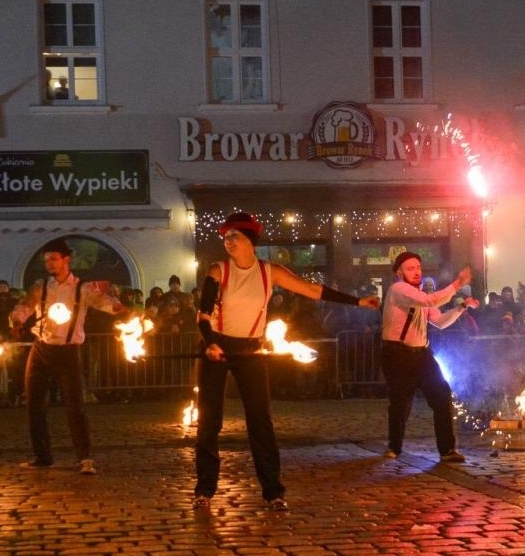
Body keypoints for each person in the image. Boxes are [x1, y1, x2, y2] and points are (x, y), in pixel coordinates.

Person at [193, 212, 379, 513]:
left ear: (249, 240)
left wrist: (357, 302)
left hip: (252, 348)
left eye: (234, 237)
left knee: (261, 421)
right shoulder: (218, 270)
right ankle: (204, 489)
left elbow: (312, 290)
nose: (228, 242)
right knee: (209, 421)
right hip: (218, 344)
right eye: (225, 237)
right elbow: (203, 316)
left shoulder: (270, 272)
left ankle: (273, 491)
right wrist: (211, 342)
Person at [22, 238, 127, 474]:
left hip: (68, 351)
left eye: (53, 259)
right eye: (46, 259)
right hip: (40, 349)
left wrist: (120, 308)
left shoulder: (83, 289)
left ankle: (85, 458)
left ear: (66, 260)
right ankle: (42, 456)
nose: (49, 263)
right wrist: (16, 319)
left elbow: (105, 302)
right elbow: (25, 306)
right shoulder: (40, 287)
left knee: (75, 406)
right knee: (34, 406)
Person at [380, 253, 478, 462]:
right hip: (398, 354)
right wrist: (457, 283)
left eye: (418, 267)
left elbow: (440, 321)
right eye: (410, 268)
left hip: (422, 354)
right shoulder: (398, 290)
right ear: (399, 273)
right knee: (400, 403)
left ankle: (447, 449)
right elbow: (429, 299)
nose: (416, 272)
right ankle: (394, 447)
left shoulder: (420, 295)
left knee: (442, 395)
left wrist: (462, 307)